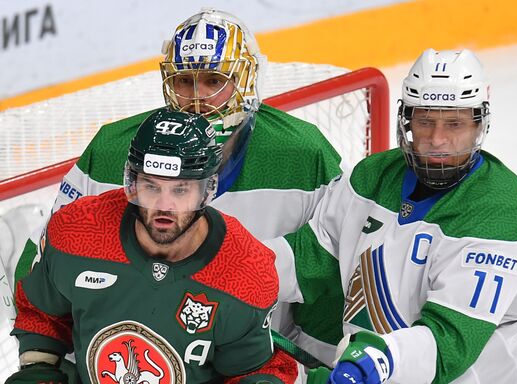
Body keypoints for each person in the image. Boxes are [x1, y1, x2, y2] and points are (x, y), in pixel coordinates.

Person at [13, 8, 343, 365]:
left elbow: (330, 260)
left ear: (246, 83)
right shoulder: (112, 150)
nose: (197, 100)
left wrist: (312, 355)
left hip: (245, 361)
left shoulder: (302, 154)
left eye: (214, 81)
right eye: (185, 81)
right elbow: (49, 260)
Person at [268, 48, 517, 383]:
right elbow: (312, 256)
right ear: (408, 120)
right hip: (388, 367)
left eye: (454, 124)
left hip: (491, 373)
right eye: (425, 121)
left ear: (478, 125)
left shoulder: (499, 209)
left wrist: (381, 360)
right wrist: (241, 269)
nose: (437, 140)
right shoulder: (373, 177)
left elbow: (450, 342)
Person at [6, 109, 300, 384]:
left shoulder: (245, 270)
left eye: (180, 189)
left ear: (207, 189)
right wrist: (38, 368)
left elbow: (250, 371)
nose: (164, 206)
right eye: (151, 186)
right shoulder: (78, 231)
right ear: (132, 183)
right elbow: (42, 314)